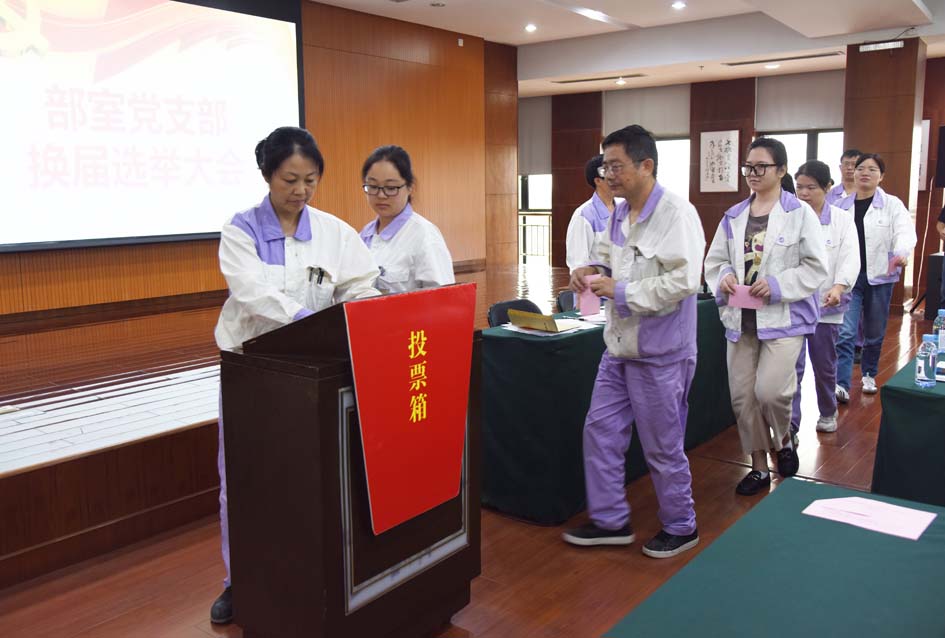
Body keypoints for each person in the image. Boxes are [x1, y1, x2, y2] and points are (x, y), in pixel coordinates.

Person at [211, 127, 380, 624]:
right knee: (243, 477)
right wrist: (304, 317)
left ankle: (304, 576)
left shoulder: (334, 232)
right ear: (267, 176)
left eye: (310, 180)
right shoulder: (240, 230)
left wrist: (361, 313)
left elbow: (361, 284)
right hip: (251, 368)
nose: (301, 191)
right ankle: (239, 581)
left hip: (312, 372)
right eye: (289, 180)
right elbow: (250, 292)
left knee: (305, 478)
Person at [562, 125, 705, 558]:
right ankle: (610, 520)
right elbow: (608, 257)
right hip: (619, 346)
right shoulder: (619, 213)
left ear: (646, 165)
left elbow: (684, 281)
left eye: (616, 166)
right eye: (606, 166)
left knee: (662, 445)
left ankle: (681, 525)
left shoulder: (676, 214)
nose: (609, 174)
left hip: (660, 352)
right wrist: (589, 269)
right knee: (600, 431)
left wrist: (621, 291)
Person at [704, 137, 827, 496]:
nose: (753, 173)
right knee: (743, 398)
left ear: (781, 170)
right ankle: (758, 466)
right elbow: (715, 260)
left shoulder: (799, 213)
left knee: (771, 392)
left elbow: (816, 267)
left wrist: (777, 285)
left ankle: (783, 439)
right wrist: (724, 275)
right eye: (748, 167)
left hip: (782, 318)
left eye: (762, 166)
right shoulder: (734, 216)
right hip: (740, 318)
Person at [834, 154, 917, 399]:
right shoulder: (840, 206)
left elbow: (904, 232)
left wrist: (901, 252)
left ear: (881, 177)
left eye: (872, 169)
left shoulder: (892, 204)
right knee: (846, 332)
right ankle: (841, 383)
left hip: (880, 276)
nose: (864, 173)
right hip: (848, 278)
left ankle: (869, 373)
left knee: (874, 332)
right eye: (860, 168)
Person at [790, 161, 859, 440]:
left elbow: (850, 256)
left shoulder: (841, 219)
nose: (804, 193)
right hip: (793, 305)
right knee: (791, 368)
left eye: (811, 188)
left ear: (828, 188)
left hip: (826, 305)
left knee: (824, 364)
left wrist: (839, 287)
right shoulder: (789, 217)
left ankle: (828, 412)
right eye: (799, 187)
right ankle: (790, 425)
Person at [358, 145, 455, 292]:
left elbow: (443, 297)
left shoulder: (425, 236)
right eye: (373, 186)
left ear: (410, 187)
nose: (381, 195)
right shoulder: (364, 235)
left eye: (391, 188)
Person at [565, 154, 617, 271]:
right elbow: (578, 266)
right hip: (599, 282)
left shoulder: (624, 209)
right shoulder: (583, 215)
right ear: (598, 181)